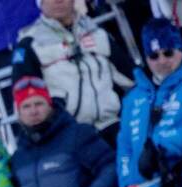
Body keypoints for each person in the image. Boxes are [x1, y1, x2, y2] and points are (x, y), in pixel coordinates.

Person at [0, 77, 116, 187]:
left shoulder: (77, 134)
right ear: (19, 113)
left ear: (50, 105)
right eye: (26, 106)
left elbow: (110, 166)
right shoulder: (18, 158)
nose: (33, 111)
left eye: (39, 103)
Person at [14, 0, 135, 146]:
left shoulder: (96, 32)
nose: (58, 1)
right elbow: (24, 101)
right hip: (69, 135)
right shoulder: (29, 43)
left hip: (113, 124)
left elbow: (133, 78)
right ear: (41, 3)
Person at [117, 18, 182, 187]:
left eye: (168, 53)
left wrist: (161, 145)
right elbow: (125, 148)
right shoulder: (132, 98)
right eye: (154, 56)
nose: (162, 61)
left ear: (181, 50)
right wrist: (128, 184)